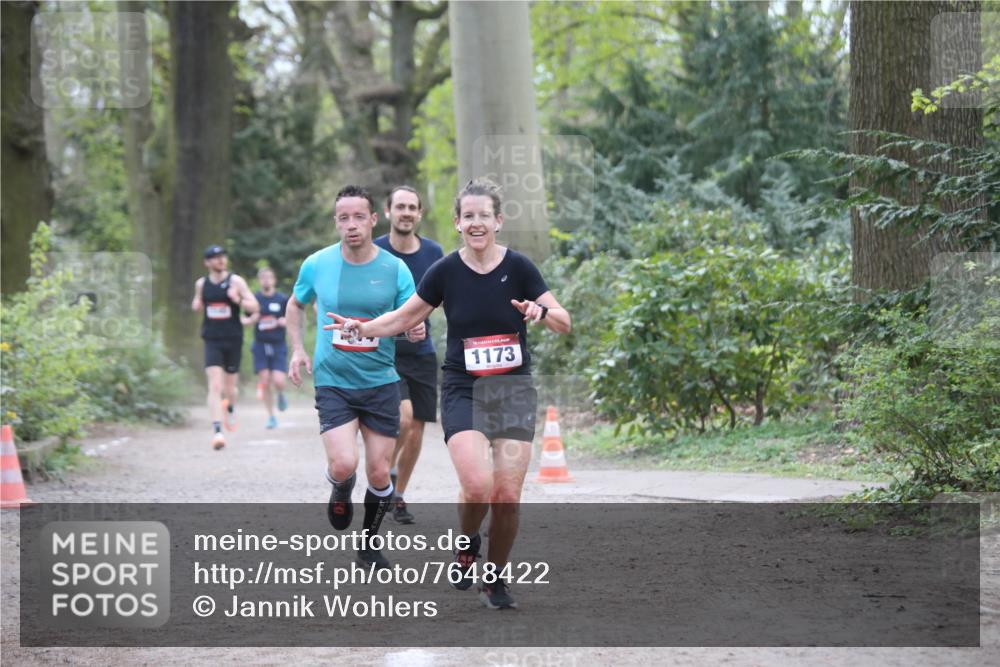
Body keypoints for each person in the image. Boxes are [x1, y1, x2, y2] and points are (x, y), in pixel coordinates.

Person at [327, 178, 571, 610]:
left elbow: (563, 321)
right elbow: (403, 317)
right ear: (458, 223)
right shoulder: (446, 271)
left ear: (499, 220)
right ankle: (466, 542)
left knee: (508, 496)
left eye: (485, 215)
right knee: (477, 487)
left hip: (512, 389)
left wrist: (542, 310)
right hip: (464, 389)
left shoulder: (520, 269)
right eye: (468, 216)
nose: (477, 223)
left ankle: (493, 580)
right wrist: (362, 328)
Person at [286, 185, 425, 570]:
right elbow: (295, 305)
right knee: (345, 463)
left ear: (373, 219)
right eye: (343, 218)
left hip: (380, 380)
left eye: (359, 217)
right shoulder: (317, 263)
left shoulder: (395, 269)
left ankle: (369, 543)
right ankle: (340, 486)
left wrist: (416, 330)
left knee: (380, 472)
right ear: (335, 222)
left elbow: (410, 316)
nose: (351, 225)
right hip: (334, 380)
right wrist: (297, 349)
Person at [374, 186, 444, 524]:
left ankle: (398, 494)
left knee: (417, 427)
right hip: (384, 351)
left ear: (419, 214)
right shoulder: (373, 252)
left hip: (421, 350)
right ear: (387, 211)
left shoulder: (434, 253)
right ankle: (385, 472)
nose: (406, 212)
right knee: (402, 418)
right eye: (399, 206)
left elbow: (446, 297)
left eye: (412, 207)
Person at [191, 245, 259, 450]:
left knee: (230, 388)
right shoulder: (202, 284)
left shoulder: (236, 281)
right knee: (215, 385)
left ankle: (230, 407)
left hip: (233, 338)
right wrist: (197, 304)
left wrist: (237, 299)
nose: (221, 260)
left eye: (223, 257)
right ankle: (217, 431)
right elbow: (198, 303)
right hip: (212, 339)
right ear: (207, 262)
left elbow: (254, 307)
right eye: (216, 258)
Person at [240, 266, 289, 429]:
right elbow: (245, 320)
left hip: (278, 344)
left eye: (269, 277)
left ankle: (281, 393)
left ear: (274, 280)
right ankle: (271, 416)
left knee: (279, 380)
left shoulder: (282, 299)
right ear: (259, 280)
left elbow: (293, 318)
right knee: (265, 380)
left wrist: (284, 321)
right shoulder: (254, 300)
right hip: (260, 345)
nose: (266, 280)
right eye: (263, 277)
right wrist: (250, 320)